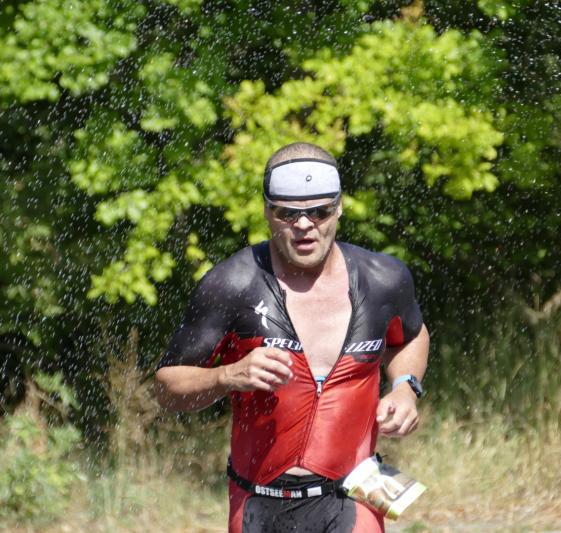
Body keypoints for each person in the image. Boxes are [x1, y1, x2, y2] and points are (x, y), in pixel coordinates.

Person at [155, 142, 430, 532]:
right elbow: (166, 389)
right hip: (258, 500)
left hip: (352, 494)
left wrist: (405, 387)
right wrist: (227, 375)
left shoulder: (383, 278)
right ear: (268, 211)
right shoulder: (231, 285)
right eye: (288, 213)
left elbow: (411, 337)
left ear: (339, 208)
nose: (304, 225)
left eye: (319, 211)